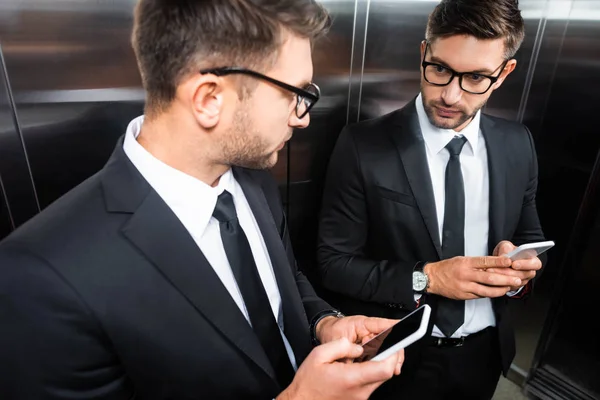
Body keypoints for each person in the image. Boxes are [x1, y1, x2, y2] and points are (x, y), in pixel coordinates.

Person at [0, 1, 405, 399]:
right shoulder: (41, 281)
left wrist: (323, 323)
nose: (303, 118)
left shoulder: (254, 178)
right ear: (209, 99)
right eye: (294, 93)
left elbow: (285, 279)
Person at [316, 0, 547, 399]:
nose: (451, 95)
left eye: (475, 77)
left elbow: (531, 235)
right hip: (397, 357)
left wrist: (520, 273)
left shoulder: (517, 144)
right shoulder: (363, 146)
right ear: (424, 53)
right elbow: (333, 264)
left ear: (505, 73)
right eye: (439, 69)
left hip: (485, 355)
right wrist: (430, 277)